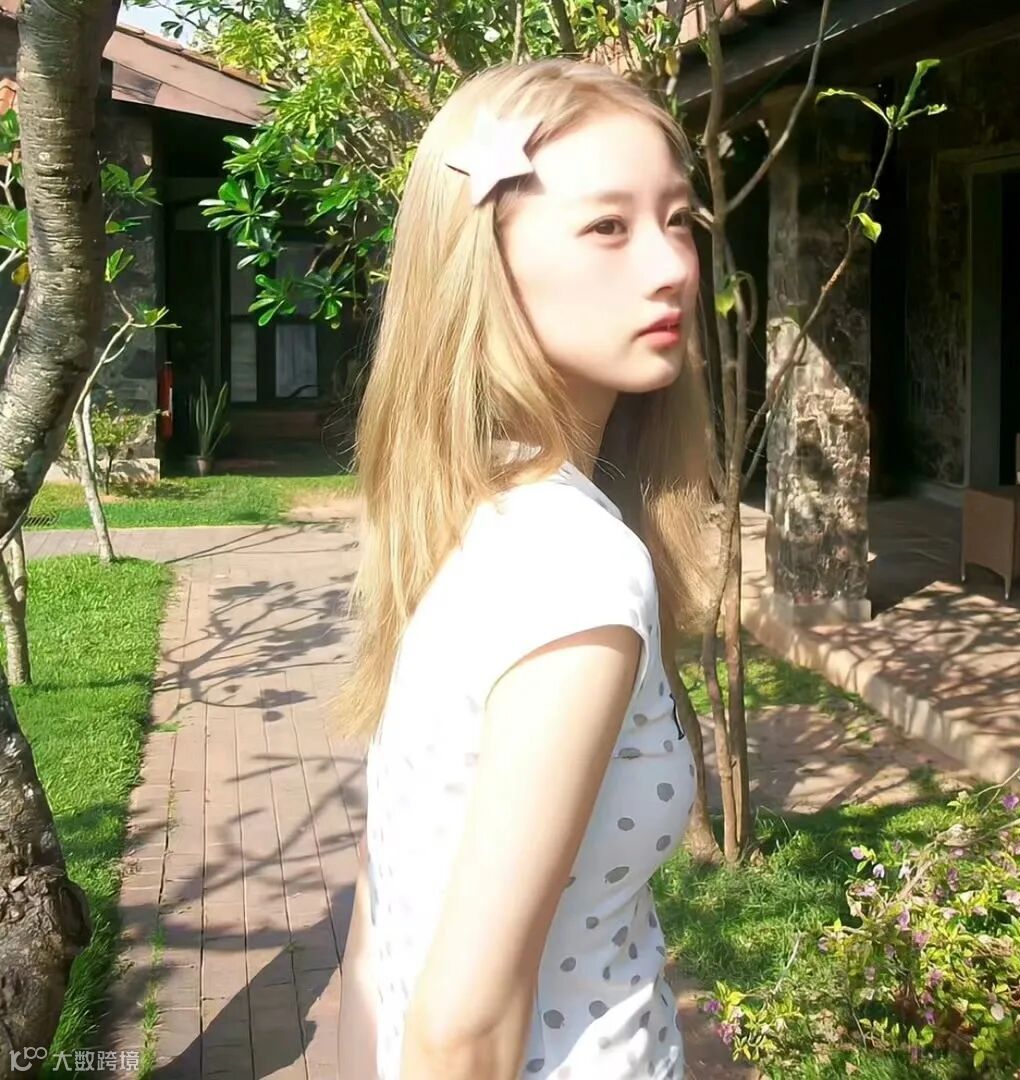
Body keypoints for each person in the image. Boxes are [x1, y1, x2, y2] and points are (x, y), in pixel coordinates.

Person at [336, 57, 718, 1080]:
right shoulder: (578, 569)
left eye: (680, 219)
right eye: (609, 226)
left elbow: (376, 935)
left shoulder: (472, 515)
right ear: (487, 264)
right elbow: (463, 1032)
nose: (672, 266)